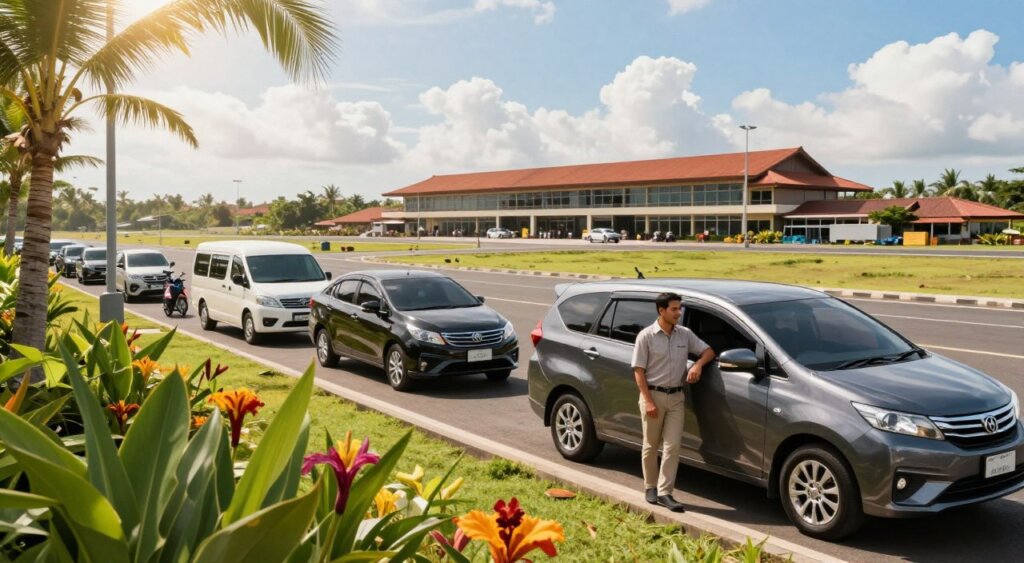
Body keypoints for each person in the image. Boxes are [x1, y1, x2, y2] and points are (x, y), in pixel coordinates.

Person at [631, 292, 715, 512]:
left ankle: (665, 492)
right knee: (651, 445)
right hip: (653, 396)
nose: (679, 312)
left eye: (680, 308)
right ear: (662, 310)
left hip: (677, 397)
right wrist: (648, 401)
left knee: (673, 446)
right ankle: (650, 486)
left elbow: (708, 351)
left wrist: (697, 365)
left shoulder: (685, 335)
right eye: (675, 309)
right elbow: (638, 372)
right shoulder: (646, 336)